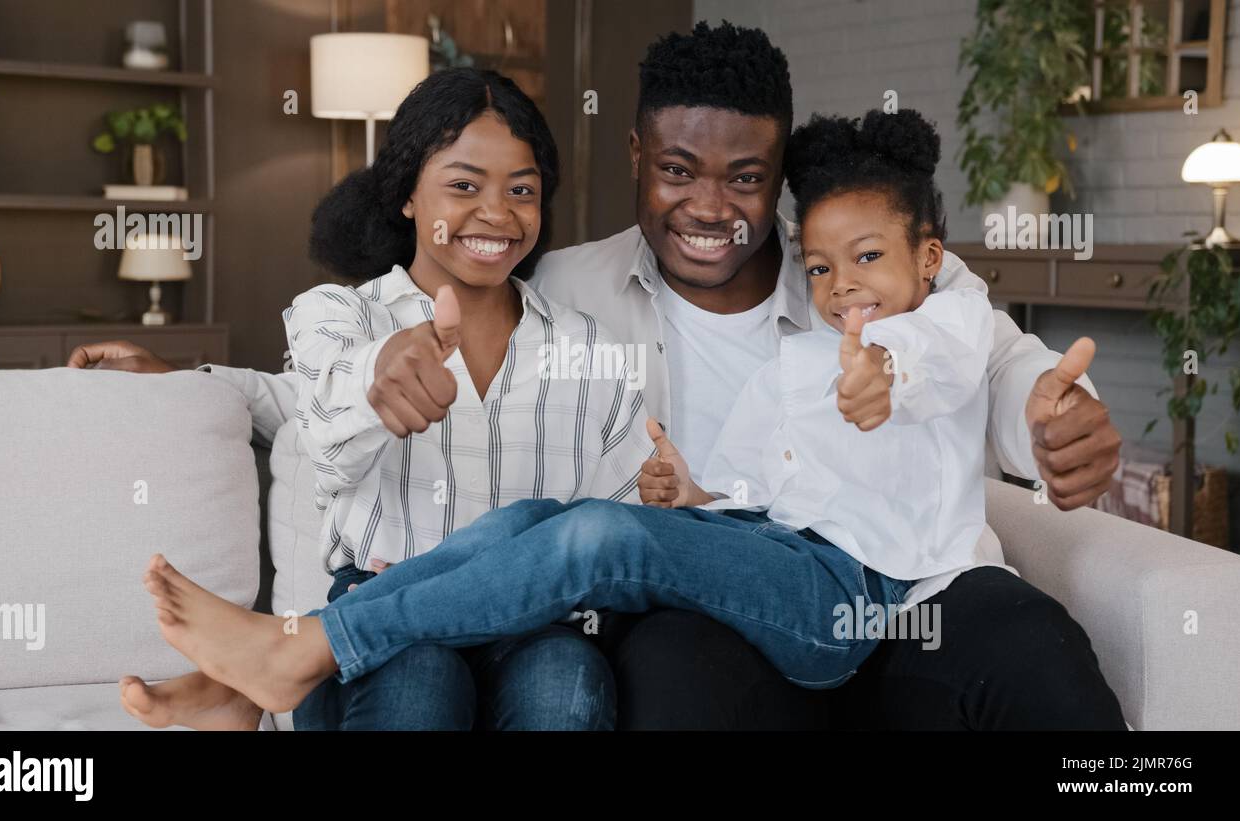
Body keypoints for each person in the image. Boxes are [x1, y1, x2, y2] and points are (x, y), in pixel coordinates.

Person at [75, 21, 1125, 731]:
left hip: (918, 586)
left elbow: (988, 359)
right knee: (631, 642)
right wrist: (186, 380)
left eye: (745, 178)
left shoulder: (870, 268)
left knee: (1036, 653)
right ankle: (299, 657)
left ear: (780, 181)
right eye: (678, 171)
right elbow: (342, 377)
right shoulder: (564, 290)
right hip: (726, 590)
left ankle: (301, 653)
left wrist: (1052, 418)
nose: (710, 206)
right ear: (634, 156)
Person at [115, 67, 654, 731]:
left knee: (567, 683)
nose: (496, 212)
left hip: (537, 624)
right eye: (463, 185)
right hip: (379, 611)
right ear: (406, 196)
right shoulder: (339, 317)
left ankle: (246, 686)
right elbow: (321, 420)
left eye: (522, 190)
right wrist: (379, 377)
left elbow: (621, 524)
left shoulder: (586, 346)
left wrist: (668, 492)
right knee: (419, 682)